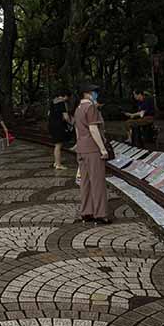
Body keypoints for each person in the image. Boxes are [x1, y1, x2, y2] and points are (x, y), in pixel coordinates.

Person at [73, 83, 110, 224]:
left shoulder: (78, 109)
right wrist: (102, 148)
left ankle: (86, 212)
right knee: (97, 182)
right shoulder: (91, 107)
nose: (96, 94)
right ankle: (100, 214)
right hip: (92, 149)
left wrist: (78, 145)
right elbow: (93, 129)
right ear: (88, 93)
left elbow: (77, 130)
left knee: (85, 182)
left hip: (81, 149)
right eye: (94, 92)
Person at [48, 90, 73, 170]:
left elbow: (49, 113)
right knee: (58, 145)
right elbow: (66, 117)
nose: (67, 99)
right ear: (65, 96)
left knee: (57, 144)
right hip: (59, 125)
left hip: (51, 125)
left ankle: (56, 162)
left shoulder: (52, 101)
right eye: (68, 97)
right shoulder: (62, 103)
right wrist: (71, 123)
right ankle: (58, 164)